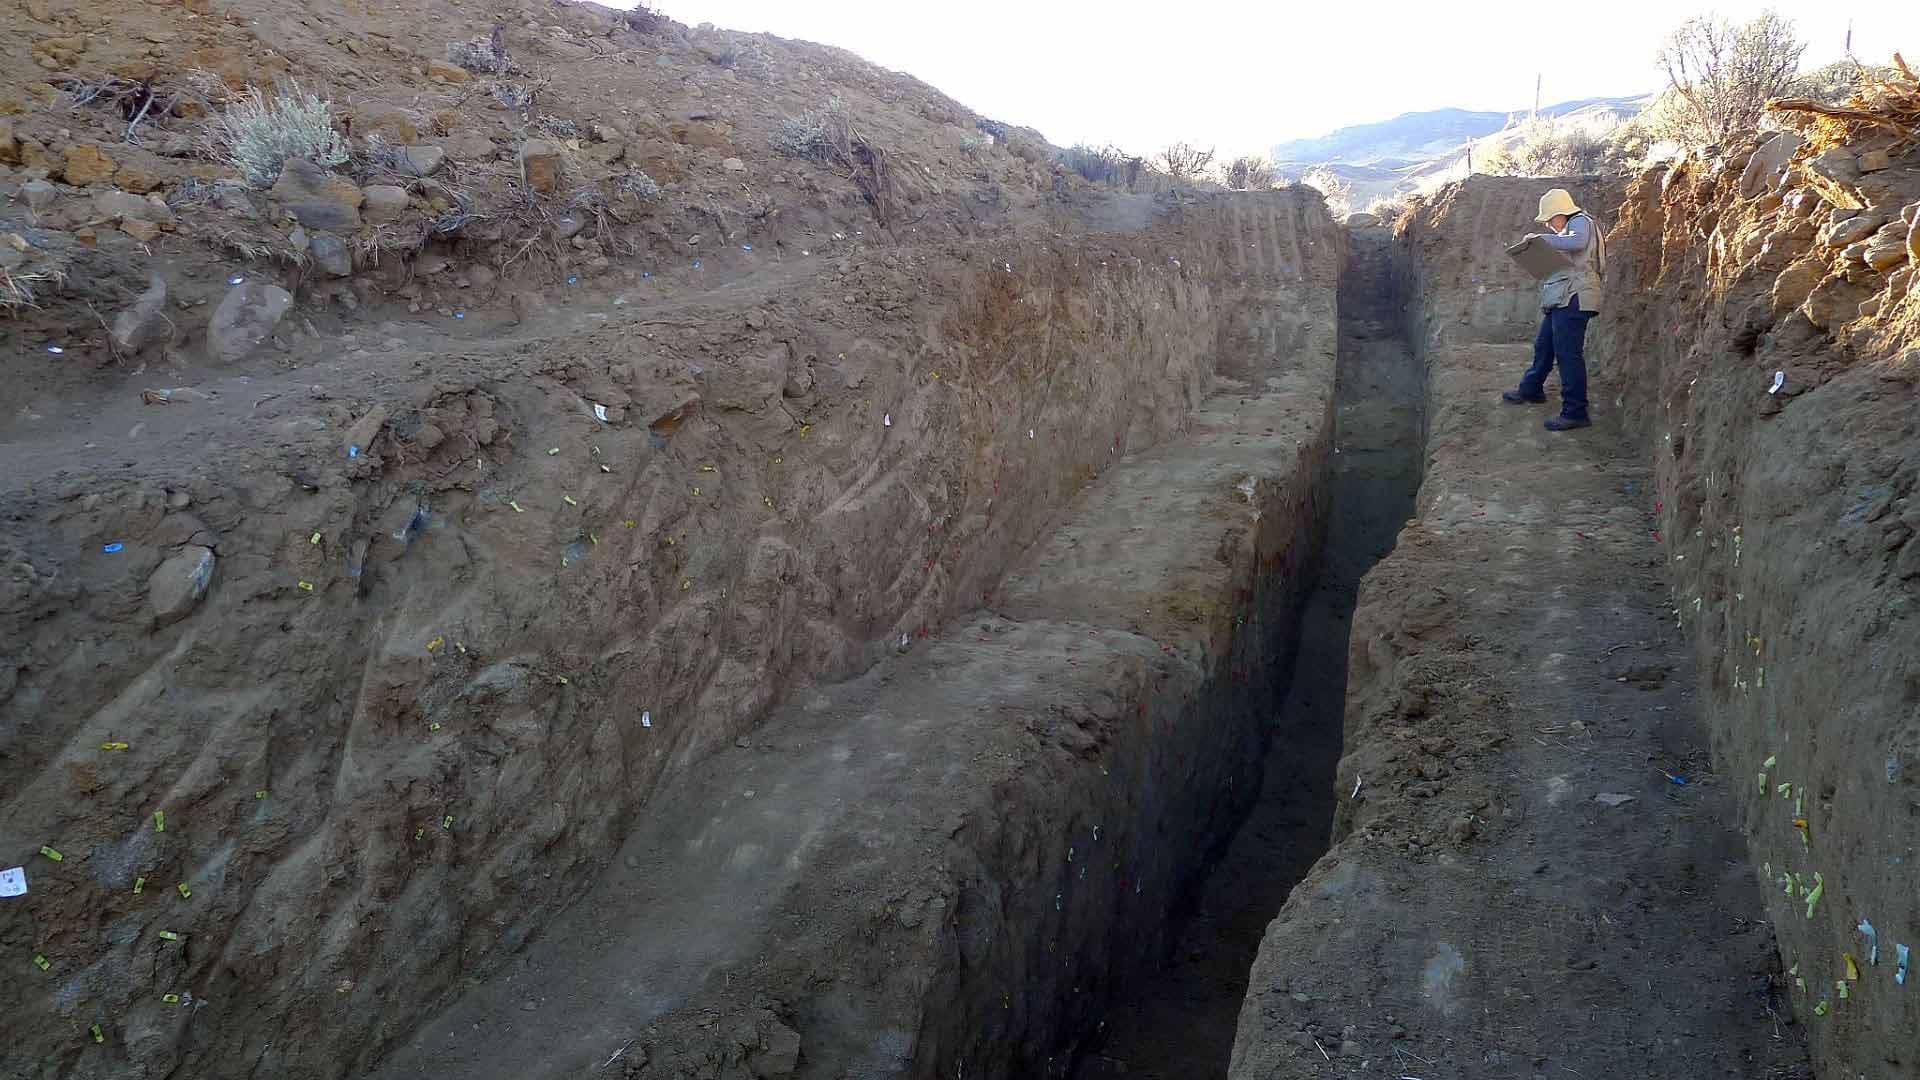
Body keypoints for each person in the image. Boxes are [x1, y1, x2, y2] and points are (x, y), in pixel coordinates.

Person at [1502, 188, 1605, 431]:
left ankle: (1575, 411)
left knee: (1568, 354)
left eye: (1550, 218)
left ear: (1562, 212)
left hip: (1575, 296)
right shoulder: (1574, 225)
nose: (1548, 224)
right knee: (1545, 345)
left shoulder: (1580, 221)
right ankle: (1531, 389)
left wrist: (1541, 240)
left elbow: (1577, 242)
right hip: (1565, 296)